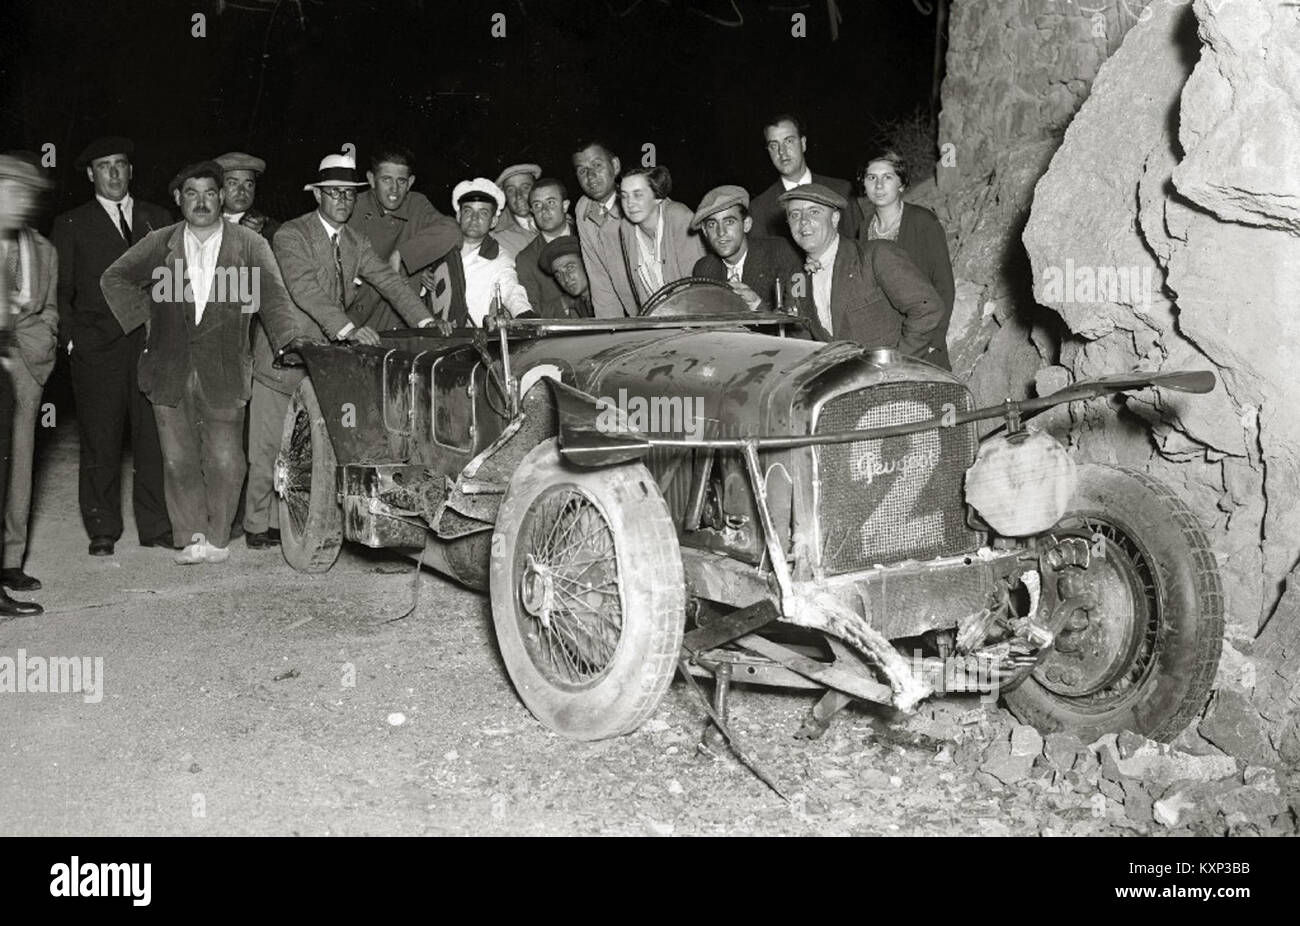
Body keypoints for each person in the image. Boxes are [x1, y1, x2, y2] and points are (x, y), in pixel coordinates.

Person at [100, 161, 303, 565]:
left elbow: (275, 299)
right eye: (191, 194)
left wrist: (290, 344)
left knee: (226, 459)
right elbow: (114, 277)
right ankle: (190, 535)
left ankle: (217, 536)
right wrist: (149, 315)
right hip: (168, 368)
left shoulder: (248, 244)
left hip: (225, 369)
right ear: (178, 200)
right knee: (178, 459)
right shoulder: (161, 243)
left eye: (210, 193)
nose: (202, 202)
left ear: (222, 197)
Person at [250, 153, 444, 549]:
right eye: (333, 193)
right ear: (318, 195)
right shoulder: (291, 235)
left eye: (349, 194)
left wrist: (425, 323)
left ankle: (299, 520)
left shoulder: (356, 241)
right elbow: (305, 289)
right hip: (285, 353)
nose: (342, 200)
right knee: (269, 445)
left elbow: (390, 281)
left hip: (325, 358)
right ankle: (257, 524)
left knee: (310, 444)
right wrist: (349, 328)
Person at [50, 136, 172, 557]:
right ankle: (102, 526)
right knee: (101, 439)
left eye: (121, 164)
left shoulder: (158, 219)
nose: (115, 173)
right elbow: (61, 290)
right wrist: (70, 341)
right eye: (105, 166)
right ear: (91, 174)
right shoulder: (71, 224)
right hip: (96, 349)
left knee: (151, 439)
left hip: (148, 346)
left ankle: (155, 525)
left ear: (131, 171)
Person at [779, 182, 947, 366]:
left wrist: (897, 366)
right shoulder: (798, 280)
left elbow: (927, 308)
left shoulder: (876, 255)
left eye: (814, 212)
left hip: (896, 382)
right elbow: (801, 342)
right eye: (794, 215)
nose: (803, 221)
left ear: (835, 218)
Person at [0, 153, 52, 615]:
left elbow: (47, 309)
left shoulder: (42, 248)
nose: (22, 203)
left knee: (16, 467)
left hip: (25, 365)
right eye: (13, 192)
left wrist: (36, 354)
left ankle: (10, 560)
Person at [347, 143, 459, 332]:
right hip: (359, 318)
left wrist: (404, 256)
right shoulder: (353, 209)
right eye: (386, 180)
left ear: (411, 182)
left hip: (404, 319)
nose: (394, 189)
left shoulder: (416, 204)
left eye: (401, 181)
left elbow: (452, 232)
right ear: (371, 179)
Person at [395, 178, 531, 327]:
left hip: (473, 341)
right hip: (429, 334)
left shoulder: (499, 257)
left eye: (483, 213)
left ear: (493, 222)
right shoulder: (435, 247)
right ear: (458, 216)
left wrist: (524, 313)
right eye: (468, 211)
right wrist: (419, 277)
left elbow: (511, 289)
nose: (474, 218)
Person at [856, 150, 955, 349]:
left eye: (888, 177)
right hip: (884, 337)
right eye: (872, 177)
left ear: (901, 184)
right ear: (864, 184)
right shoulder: (864, 227)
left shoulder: (923, 221)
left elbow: (944, 284)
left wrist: (935, 340)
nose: (879, 185)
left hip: (920, 335)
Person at [690, 184, 805, 313]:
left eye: (729, 222)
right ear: (705, 232)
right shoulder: (704, 269)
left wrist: (758, 306)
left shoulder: (781, 253)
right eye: (712, 224)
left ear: (746, 224)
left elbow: (799, 324)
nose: (720, 232)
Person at [749, 114, 861, 242]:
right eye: (774, 146)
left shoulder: (842, 190)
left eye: (789, 141)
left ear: (803, 144)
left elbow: (861, 248)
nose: (782, 152)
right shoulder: (759, 208)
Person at [617, 166, 705, 309]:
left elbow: (697, 287)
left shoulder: (680, 218)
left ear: (657, 196)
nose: (629, 203)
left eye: (638, 195)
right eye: (624, 196)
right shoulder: (626, 227)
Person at [571, 140, 637, 317]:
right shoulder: (584, 210)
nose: (590, 176)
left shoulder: (638, 203)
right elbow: (600, 282)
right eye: (582, 170)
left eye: (597, 165)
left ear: (615, 166)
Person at [515, 177, 575, 318]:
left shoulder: (587, 239)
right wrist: (564, 304)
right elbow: (532, 315)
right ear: (532, 211)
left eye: (551, 202)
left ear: (565, 205)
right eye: (537, 205)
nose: (544, 210)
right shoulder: (527, 259)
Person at [214, 151, 279, 241]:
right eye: (233, 183)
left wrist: (259, 235)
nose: (242, 191)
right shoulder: (200, 221)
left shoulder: (272, 229)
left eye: (248, 185)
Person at [538, 235, 593, 318]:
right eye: (558, 275)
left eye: (570, 268)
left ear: (586, 264)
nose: (566, 279)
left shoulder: (610, 295)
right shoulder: (581, 301)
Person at [492, 163, 540, 257]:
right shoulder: (497, 235)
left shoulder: (560, 220)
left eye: (525, 187)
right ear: (504, 195)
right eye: (511, 190)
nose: (519, 196)